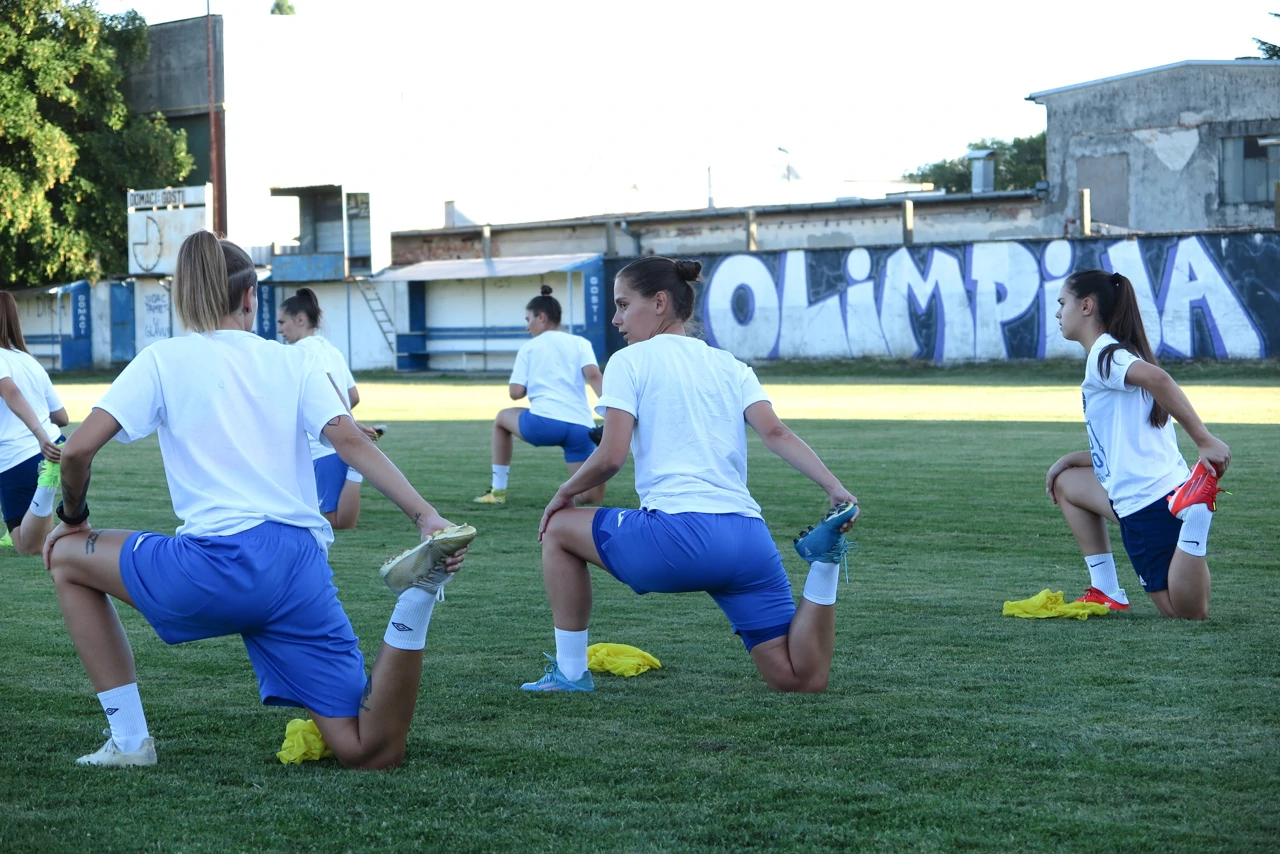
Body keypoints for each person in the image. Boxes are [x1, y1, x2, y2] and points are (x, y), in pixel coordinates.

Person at [44, 231, 471, 769]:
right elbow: (349, 440)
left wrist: (73, 519)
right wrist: (426, 516)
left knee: (64, 558)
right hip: (298, 570)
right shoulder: (294, 362)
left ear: (186, 298)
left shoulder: (163, 359)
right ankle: (417, 600)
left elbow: (78, 451)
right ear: (250, 299)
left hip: (214, 570)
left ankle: (130, 742)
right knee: (368, 752)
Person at [522, 256, 859, 693]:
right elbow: (775, 432)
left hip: (677, 539)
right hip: (748, 540)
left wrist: (562, 495)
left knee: (559, 530)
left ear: (659, 302)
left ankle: (570, 675)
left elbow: (610, 457)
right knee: (799, 679)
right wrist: (834, 487)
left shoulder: (629, 360)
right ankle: (824, 563)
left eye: (624, 305)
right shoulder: (731, 365)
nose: (616, 319)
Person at [1046, 269, 1229, 620]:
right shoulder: (1116, 354)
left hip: (1147, 500)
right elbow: (1121, 444)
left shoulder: (1107, 356)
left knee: (1185, 613)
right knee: (1066, 484)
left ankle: (1197, 515)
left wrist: (1204, 440)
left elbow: (1159, 379)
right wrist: (1067, 460)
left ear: (1086, 306)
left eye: (1062, 303)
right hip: (1155, 489)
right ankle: (1105, 590)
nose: (1058, 312)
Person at [473, 285, 605, 506]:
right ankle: (593, 470)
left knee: (501, 419)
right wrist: (610, 411)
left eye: (528, 319)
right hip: (581, 427)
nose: (527, 327)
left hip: (543, 425)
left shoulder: (529, 348)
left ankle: (498, 491)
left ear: (541, 317)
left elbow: (515, 393)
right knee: (589, 498)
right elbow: (593, 375)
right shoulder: (581, 343)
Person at [277, 287, 370, 529]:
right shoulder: (331, 349)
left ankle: (355, 469)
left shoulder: (299, 351)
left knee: (335, 522)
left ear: (300, 319)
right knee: (338, 520)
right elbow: (354, 395)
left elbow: (327, 384)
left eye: (282, 321)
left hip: (322, 446)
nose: (279, 329)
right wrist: (349, 420)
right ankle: (355, 468)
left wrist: (348, 421)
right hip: (337, 441)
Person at [0, 291, 70, 554]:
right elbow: (61, 416)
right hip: (52, 445)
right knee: (42, 538)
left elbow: (11, 392)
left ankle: (47, 486)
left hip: (21, 454)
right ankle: (47, 482)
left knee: (26, 546)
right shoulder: (29, 361)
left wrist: (40, 435)